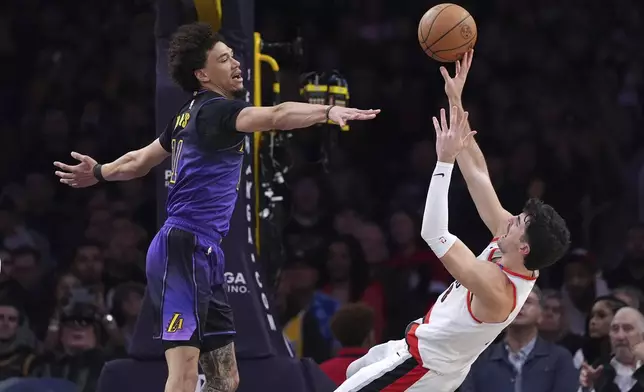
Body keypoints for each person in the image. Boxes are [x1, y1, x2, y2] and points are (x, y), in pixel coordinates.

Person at [52, 22, 379, 392]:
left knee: (225, 379)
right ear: (203, 74)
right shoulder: (218, 112)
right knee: (185, 375)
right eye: (225, 59)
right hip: (184, 249)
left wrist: (98, 170)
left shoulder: (185, 115)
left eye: (234, 55)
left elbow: (137, 162)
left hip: (205, 253)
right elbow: (275, 116)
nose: (237, 63)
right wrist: (326, 113)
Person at [336, 51, 570, 392]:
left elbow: (433, 233)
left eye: (519, 220)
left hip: (424, 366)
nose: (510, 217)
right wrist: (456, 101)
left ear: (524, 245)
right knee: (356, 370)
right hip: (425, 347)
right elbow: (477, 173)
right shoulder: (514, 246)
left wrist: (443, 162)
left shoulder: (498, 289)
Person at [460, 286, 579, 392]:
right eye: (513, 302)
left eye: (527, 302)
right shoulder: (480, 358)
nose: (519, 306)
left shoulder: (559, 358)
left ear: (541, 315)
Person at [579, 307, 644, 392]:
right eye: (615, 329)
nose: (620, 336)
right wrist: (589, 387)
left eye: (627, 328)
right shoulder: (598, 370)